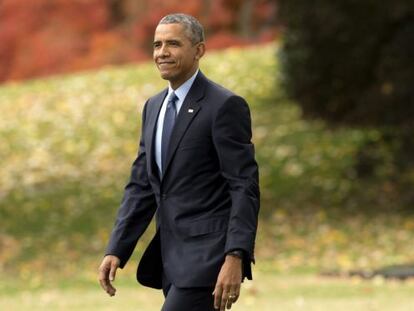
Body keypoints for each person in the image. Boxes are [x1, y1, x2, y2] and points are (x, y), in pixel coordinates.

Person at [98, 13, 260, 311]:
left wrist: (235, 255)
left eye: (173, 43)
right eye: (157, 44)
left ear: (199, 50)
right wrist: (117, 249)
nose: (162, 52)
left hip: (208, 259)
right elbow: (142, 185)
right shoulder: (153, 107)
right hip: (171, 262)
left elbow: (243, 186)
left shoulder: (224, 106)